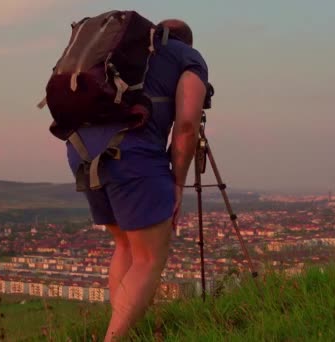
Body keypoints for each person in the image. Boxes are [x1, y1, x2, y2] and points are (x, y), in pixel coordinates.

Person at [64, 18, 208, 341]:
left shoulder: (129, 52)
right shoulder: (188, 58)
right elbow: (186, 126)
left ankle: (125, 329)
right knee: (150, 258)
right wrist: (178, 184)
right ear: (188, 41)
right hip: (132, 154)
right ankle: (114, 338)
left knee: (126, 244)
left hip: (80, 149)